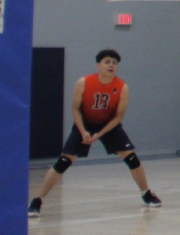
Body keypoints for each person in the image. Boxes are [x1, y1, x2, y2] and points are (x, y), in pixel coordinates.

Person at [28, 49, 161, 217]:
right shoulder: (83, 82)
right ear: (98, 65)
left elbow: (118, 117)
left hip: (108, 124)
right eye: (107, 62)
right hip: (85, 123)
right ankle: (37, 200)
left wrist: (100, 134)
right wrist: (83, 131)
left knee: (131, 158)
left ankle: (146, 193)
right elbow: (75, 109)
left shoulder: (122, 87)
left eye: (114, 63)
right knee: (64, 161)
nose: (111, 65)